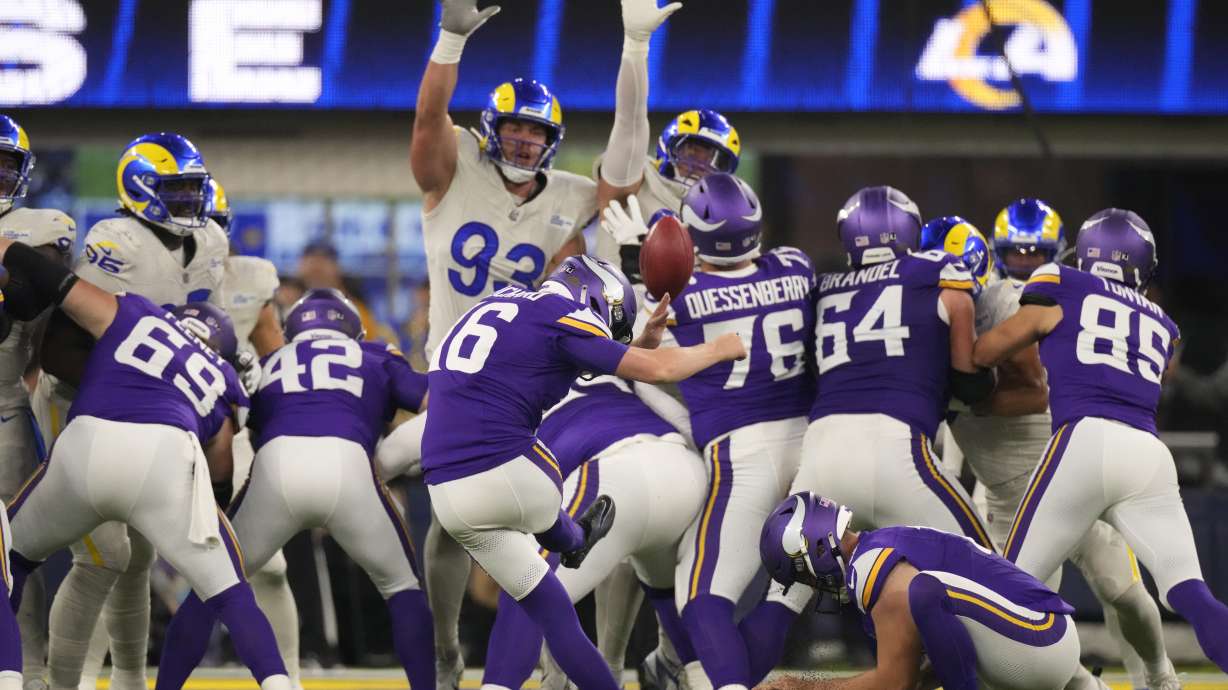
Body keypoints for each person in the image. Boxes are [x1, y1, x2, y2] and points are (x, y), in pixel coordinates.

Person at [423, 253, 745, 690]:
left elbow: (583, 360)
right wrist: (721, 347)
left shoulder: (502, 311)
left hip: (447, 492)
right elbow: (660, 369)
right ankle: (576, 541)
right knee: (559, 527)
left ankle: (569, 546)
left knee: (547, 608)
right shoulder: (560, 318)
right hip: (536, 473)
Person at [0, 233, 291, 689]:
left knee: (8, 559)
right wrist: (204, 525)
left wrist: (5, 248)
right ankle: (280, 684)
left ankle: (9, 680)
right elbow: (220, 462)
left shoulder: (137, 312)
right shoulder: (222, 377)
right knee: (231, 593)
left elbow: (58, 284)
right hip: (166, 460)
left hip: (89, 442)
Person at [408, 0, 596, 683]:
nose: (522, 142)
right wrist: (450, 39)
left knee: (487, 517)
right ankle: (446, 646)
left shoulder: (569, 197)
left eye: (535, 132)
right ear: (490, 130)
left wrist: (632, 54)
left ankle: (531, 651)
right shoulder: (455, 166)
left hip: (523, 384)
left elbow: (627, 177)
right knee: (451, 519)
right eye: (513, 129)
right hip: (452, 379)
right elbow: (429, 121)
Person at [922, 214, 1180, 690]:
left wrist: (966, 397)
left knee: (1120, 590)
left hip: (1058, 468)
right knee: (1017, 620)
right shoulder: (916, 312)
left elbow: (1043, 390)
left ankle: (1161, 673)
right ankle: (1086, 685)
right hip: (1001, 494)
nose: (946, 294)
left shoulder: (1003, 304)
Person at [973, 208, 1228, 673]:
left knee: (1006, 587)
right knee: (1188, 591)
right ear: (1143, 266)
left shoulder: (1059, 282)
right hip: (1149, 455)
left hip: (1083, 442)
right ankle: (1161, 682)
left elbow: (988, 351)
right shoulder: (1163, 324)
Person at [30, 132, 231, 690]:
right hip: (81, 409)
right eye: (177, 191)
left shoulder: (211, 241)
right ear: (142, 191)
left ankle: (128, 681)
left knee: (138, 558)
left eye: (195, 191)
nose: (192, 203)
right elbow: (60, 343)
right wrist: (130, 383)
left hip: (148, 419)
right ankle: (57, 682)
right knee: (103, 557)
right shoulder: (117, 240)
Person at [154, 289, 433, 690]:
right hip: (349, 466)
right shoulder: (375, 355)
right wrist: (390, 459)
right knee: (402, 589)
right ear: (352, 331)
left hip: (276, 468)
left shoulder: (267, 363)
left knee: (212, 587)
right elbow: (438, 404)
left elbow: (229, 423)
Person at [610, 173, 815, 690]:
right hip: (813, 447)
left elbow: (628, 356)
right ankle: (782, 603)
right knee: (787, 588)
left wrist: (648, 261)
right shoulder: (796, 267)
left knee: (701, 602)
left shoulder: (674, 296)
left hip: (741, 454)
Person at [478, 373, 704, 690]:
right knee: (681, 600)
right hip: (687, 467)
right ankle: (689, 672)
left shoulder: (508, 404)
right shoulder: (598, 366)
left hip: (614, 474)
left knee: (528, 590)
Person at [757, 492, 1084, 690]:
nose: (813, 586)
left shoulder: (871, 567)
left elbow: (894, 683)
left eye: (803, 575)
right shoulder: (878, 550)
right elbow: (915, 676)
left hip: (1038, 638)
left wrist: (803, 687)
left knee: (924, 591)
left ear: (813, 549)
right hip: (1032, 640)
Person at [200, 178, 306, 689]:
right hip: (154, 428)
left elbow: (276, 360)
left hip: (228, 435)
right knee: (120, 564)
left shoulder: (249, 280)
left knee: (268, 568)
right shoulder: (135, 276)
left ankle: (289, 678)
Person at [0, 113, 77, 690]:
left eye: (5, 166)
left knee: (12, 547)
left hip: (4, 406)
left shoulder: (38, 228)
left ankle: (29, 670)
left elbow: (41, 310)